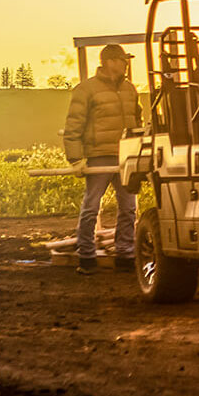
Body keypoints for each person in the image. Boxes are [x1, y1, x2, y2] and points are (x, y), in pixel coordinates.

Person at [62, 44, 142, 275]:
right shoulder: (86, 90)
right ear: (109, 61)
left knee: (128, 207)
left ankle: (125, 254)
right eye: (122, 60)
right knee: (91, 206)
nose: (125, 64)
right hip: (98, 156)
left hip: (125, 155)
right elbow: (73, 125)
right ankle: (86, 256)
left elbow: (137, 120)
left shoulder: (129, 89)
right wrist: (76, 158)